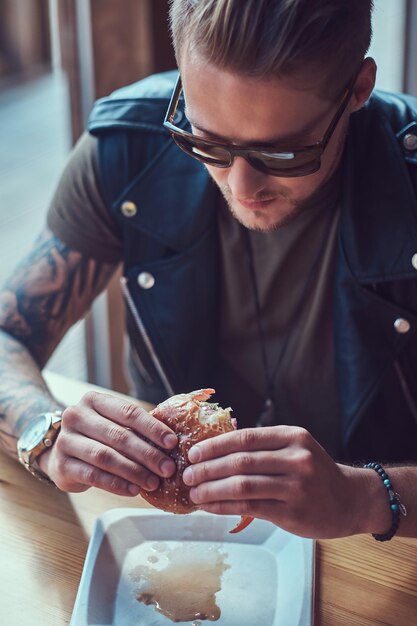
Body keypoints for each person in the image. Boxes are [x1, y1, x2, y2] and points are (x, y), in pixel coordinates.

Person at [0, 0, 417, 541]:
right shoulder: (128, 149)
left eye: (285, 153)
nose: (240, 188)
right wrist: (42, 429)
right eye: (205, 141)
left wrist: (368, 497)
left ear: (358, 89)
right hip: (180, 555)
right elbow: (8, 334)